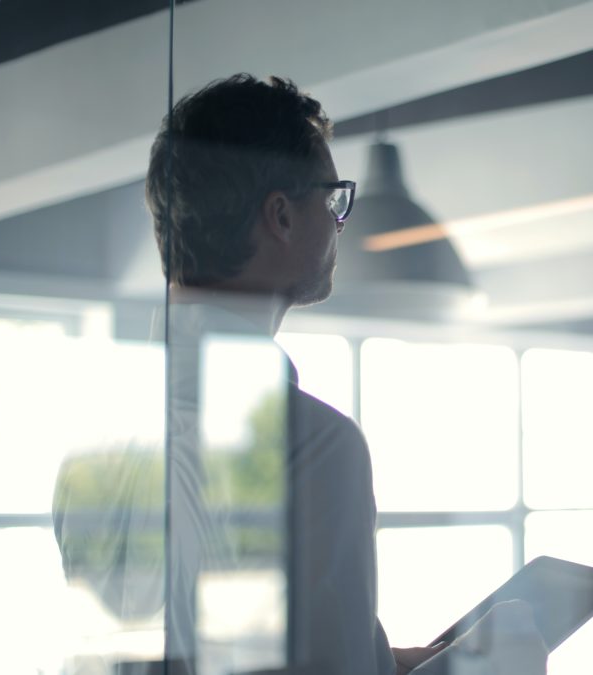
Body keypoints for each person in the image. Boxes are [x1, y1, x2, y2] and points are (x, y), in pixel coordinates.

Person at [136, 74, 548, 675]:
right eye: (333, 201)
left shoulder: (103, 435)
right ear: (280, 215)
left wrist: (389, 660)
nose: (339, 223)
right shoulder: (311, 445)